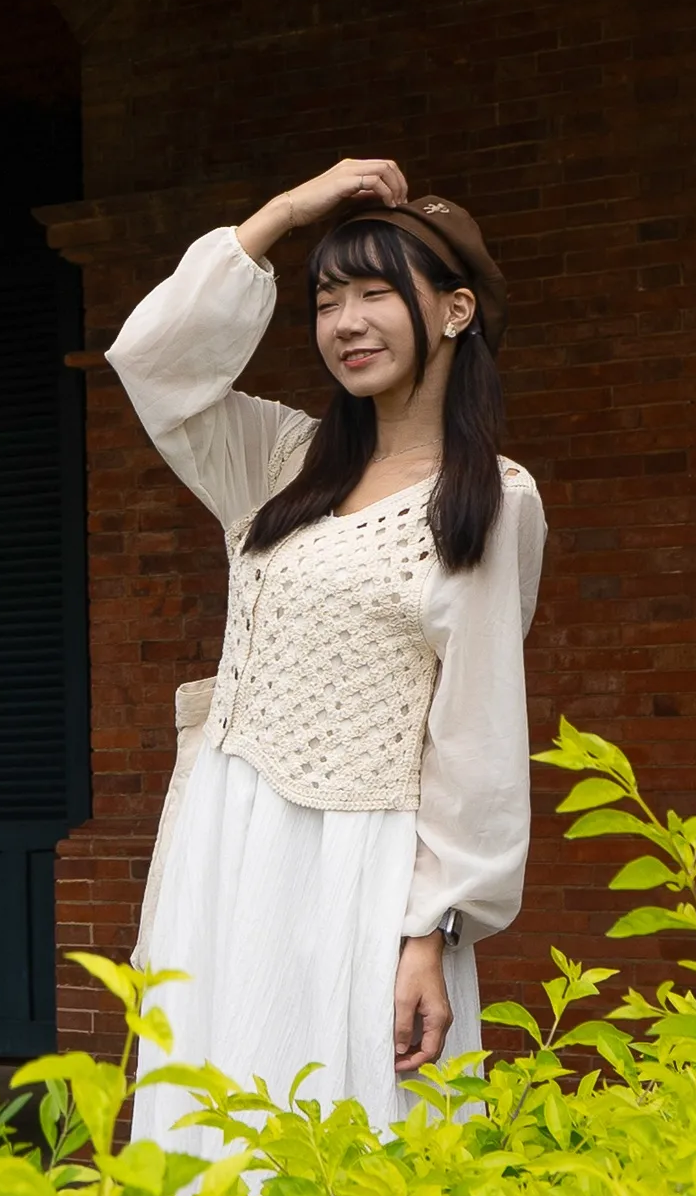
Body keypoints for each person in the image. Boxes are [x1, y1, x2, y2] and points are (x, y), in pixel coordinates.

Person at [106, 156, 545, 1144]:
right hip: (224, 845)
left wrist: (432, 928)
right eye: (327, 300)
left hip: (362, 868)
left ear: (456, 310)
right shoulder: (278, 461)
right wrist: (287, 211)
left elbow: (476, 732)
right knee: (209, 1122)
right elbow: (152, 361)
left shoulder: (488, 499)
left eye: (376, 293)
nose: (346, 322)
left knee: (350, 1125)